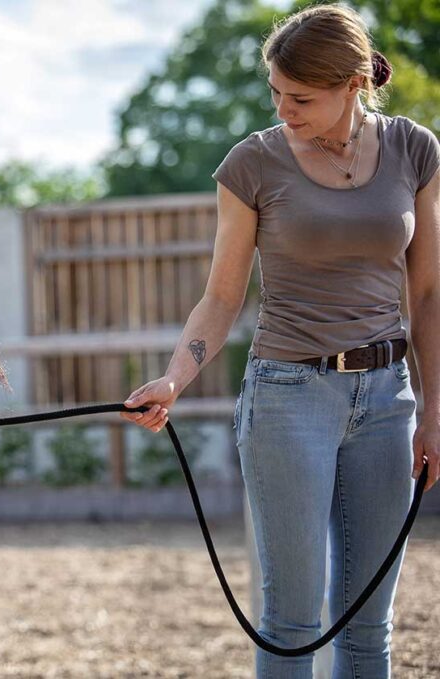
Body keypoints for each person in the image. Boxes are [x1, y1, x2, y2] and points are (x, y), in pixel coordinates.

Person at [119, 4, 439, 677]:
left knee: (368, 626)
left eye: (300, 97)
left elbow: (430, 294)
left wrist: (435, 410)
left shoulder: (415, 149)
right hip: (290, 397)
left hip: (388, 401)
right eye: (275, 92)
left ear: (354, 84)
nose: (283, 108)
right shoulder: (254, 164)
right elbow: (223, 294)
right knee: (292, 621)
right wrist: (175, 377)